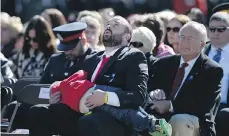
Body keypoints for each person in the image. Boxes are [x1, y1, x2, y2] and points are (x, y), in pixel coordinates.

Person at [28, 16, 148, 136]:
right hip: (85, 111)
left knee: (88, 122)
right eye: (108, 24)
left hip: (115, 118)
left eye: (116, 25)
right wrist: (59, 97)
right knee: (39, 111)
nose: (109, 26)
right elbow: (77, 87)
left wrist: (106, 97)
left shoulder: (134, 56)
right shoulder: (92, 58)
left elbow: (138, 96)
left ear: (127, 36)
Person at [4, 22, 99, 130]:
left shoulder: (94, 60)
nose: (67, 51)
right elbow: (42, 86)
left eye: (71, 48)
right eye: (65, 47)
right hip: (50, 104)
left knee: (39, 112)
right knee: (14, 108)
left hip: (76, 110)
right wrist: (50, 97)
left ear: (83, 40)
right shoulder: (56, 60)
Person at [147, 21, 223, 136]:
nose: (184, 42)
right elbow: (149, 88)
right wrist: (154, 94)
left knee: (179, 120)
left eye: (190, 39)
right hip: (160, 118)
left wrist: (170, 106)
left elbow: (202, 106)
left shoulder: (212, 70)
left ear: (202, 44)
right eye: (182, 37)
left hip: (193, 123)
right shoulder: (163, 63)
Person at [205, 12, 229, 136]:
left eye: (221, 29)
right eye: (212, 29)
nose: (215, 33)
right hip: (201, 103)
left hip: (225, 106)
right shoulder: (201, 50)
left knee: (225, 115)